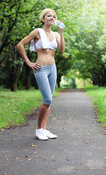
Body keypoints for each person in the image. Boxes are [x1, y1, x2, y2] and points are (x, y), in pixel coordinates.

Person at [17, 8, 65, 140]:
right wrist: (29, 62)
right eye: (49, 16)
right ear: (43, 18)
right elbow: (20, 44)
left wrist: (61, 33)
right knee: (47, 99)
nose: (52, 18)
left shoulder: (55, 34)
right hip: (41, 69)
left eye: (53, 16)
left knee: (49, 102)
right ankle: (39, 129)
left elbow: (61, 50)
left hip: (52, 68)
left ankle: (44, 129)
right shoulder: (37, 32)